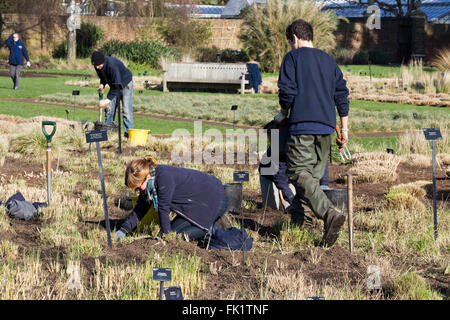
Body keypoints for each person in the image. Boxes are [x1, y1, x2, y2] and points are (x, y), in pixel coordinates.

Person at [276, 19, 349, 247]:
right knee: (310, 180)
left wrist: (284, 113)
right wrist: (344, 128)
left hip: (303, 126)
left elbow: (287, 93)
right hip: (327, 128)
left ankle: (329, 214)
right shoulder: (329, 60)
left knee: (298, 173)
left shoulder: (292, 58)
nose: (290, 46)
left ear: (295, 39)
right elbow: (341, 95)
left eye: (290, 42)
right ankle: (301, 225)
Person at [115, 156, 230, 241]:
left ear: (147, 177)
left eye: (138, 187)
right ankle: (208, 223)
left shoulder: (164, 178)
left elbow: (163, 208)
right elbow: (141, 208)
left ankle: (211, 228)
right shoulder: (150, 183)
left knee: (175, 237)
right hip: (195, 204)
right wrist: (124, 229)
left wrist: (165, 237)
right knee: (173, 232)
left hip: (215, 198)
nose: (137, 191)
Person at [259, 120, 330, 216]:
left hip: (289, 178)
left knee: (294, 205)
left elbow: (322, 160)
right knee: (273, 209)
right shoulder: (278, 152)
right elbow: (280, 178)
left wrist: (324, 186)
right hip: (269, 176)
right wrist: (291, 198)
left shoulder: (305, 146)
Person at [91, 51, 134, 138]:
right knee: (109, 109)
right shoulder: (98, 66)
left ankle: (128, 135)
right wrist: (102, 84)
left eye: (98, 65)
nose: (97, 67)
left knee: (126, 110)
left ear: (103, 61)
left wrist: (107, 100)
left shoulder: (112, 66)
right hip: (115, 85)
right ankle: (108, 132)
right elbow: (104, 76)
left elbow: (117, 85)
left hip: (125, 84)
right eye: (95, 65)